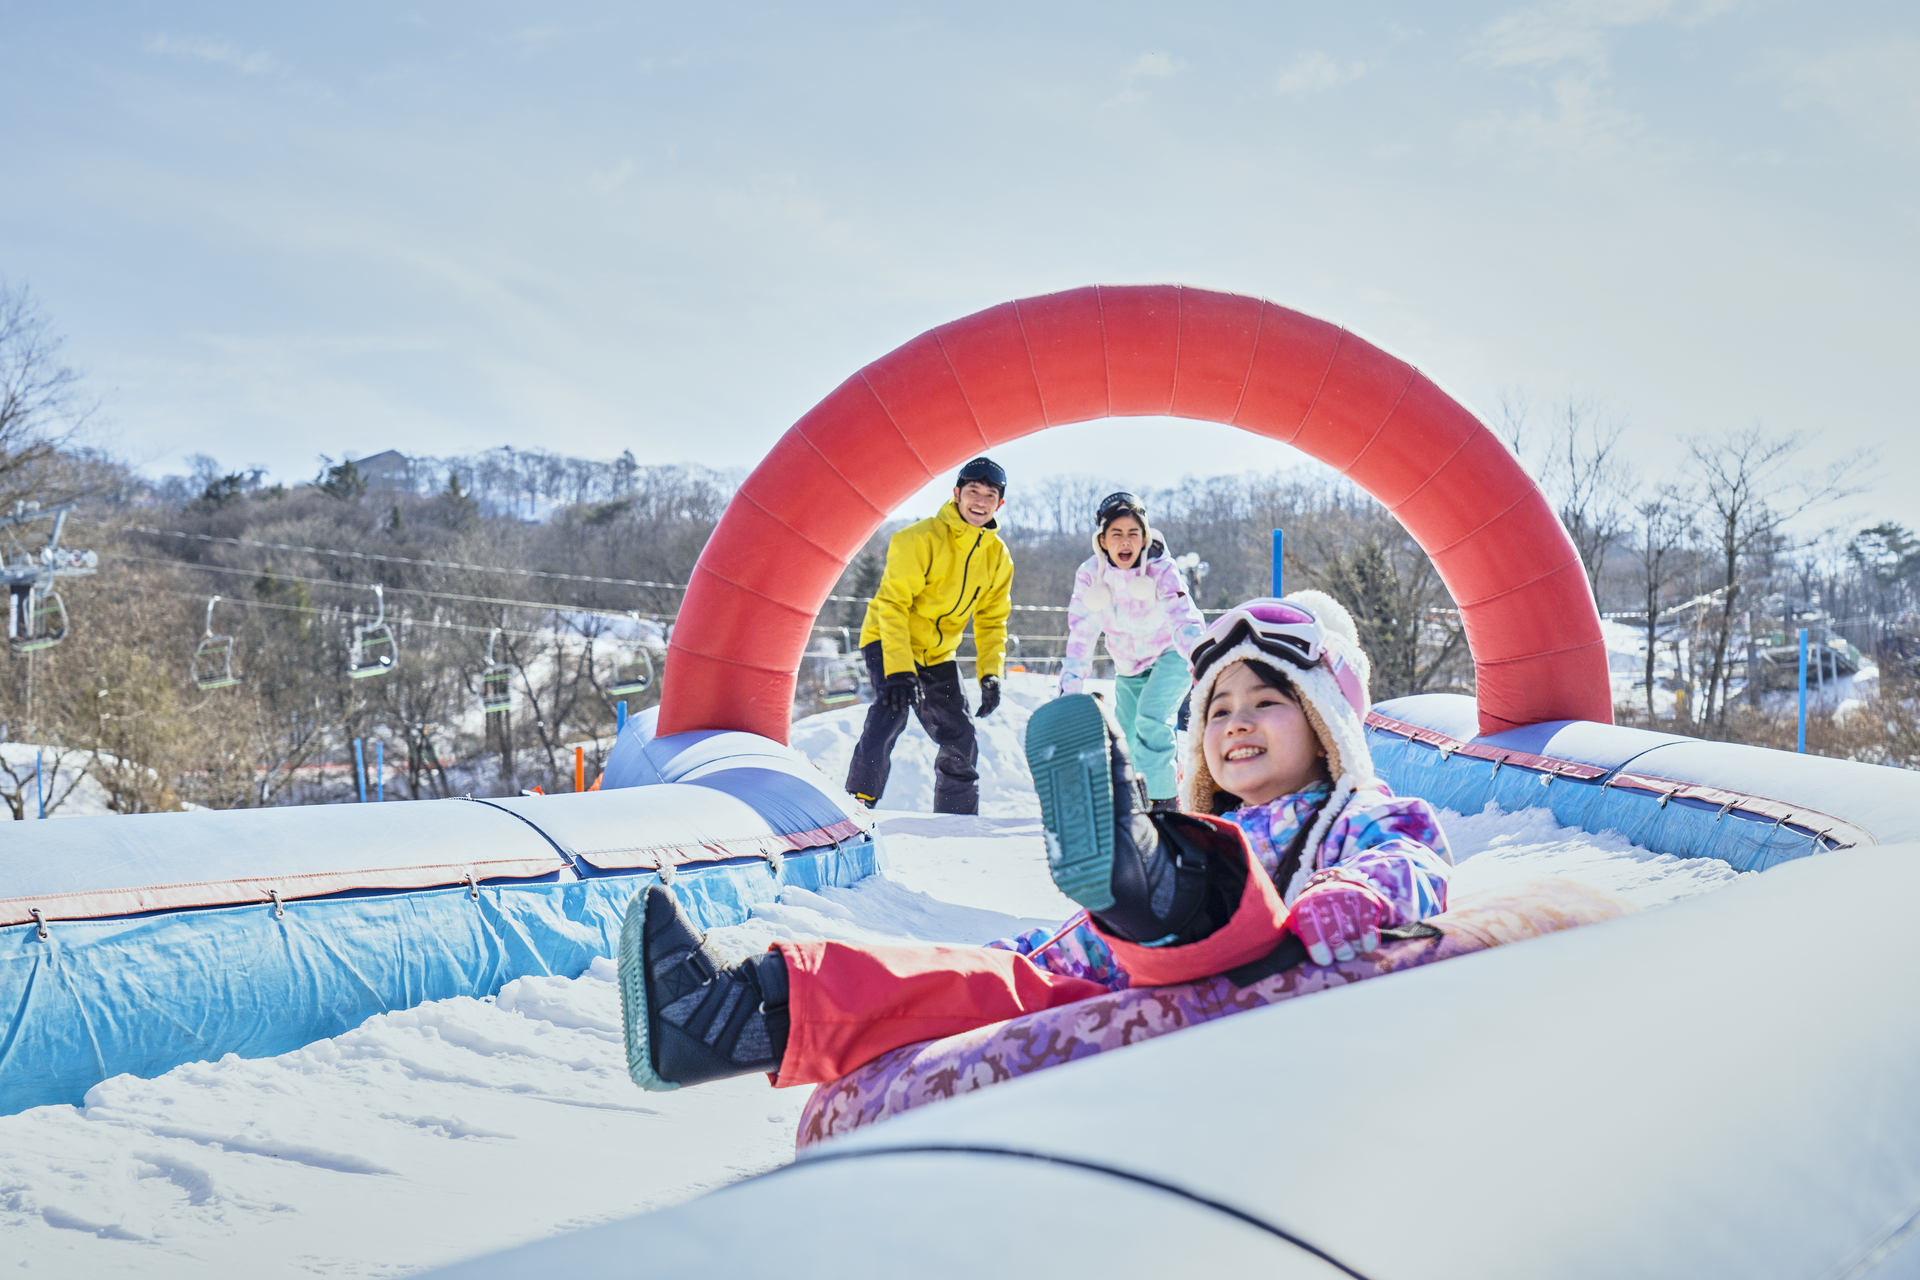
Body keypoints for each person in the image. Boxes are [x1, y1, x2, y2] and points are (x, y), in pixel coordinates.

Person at [619, 590, 1452, 1093]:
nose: (1236, 723)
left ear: (1326, 723)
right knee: (949, 979)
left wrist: (1362, 893)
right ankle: (729, 1015)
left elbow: (1411, 855)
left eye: (1266, 702)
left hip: (1221, 974)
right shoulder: (1222, 821)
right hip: (1101, 980)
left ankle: (1152, 884)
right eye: (1218, 709)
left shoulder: (1349, 813)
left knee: (1217, 886)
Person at [843, 456, 1013, 816]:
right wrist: (900, 671)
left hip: (937, 655)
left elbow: (991, 620)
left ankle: (956, 819)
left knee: (960, 734)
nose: (979, 501)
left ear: (1000, 503)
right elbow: (893, 606)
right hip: (888, 638)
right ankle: (857, 804)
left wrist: (990, 673)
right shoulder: (917, 539)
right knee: (892, 712)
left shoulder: (998, 557)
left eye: (989, 495)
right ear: (956, 494)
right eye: (972, 492)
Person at [1058, 492, 1206, 811]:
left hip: (1171, 654)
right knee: (1126, 733)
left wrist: (1199, 655)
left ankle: (1164, 805)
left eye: (1133, 534)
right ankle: (1134, 806)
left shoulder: (1160, 568)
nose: (1126, 542)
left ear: (1144, 538)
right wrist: (1070, 687)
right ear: (1102, 539)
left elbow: (1183, 613)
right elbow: (1081, 635)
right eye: (1117, 534)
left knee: (1151, 718)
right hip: (1128, 665)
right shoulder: (1090, 576)